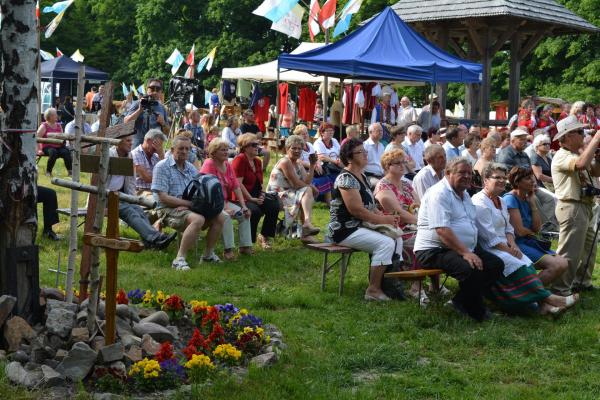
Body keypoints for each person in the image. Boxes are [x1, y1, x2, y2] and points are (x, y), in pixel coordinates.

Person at [472, 163, 576, 314]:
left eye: (503, 177)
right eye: (497, 178)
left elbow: (509, 229)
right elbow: (490, 238)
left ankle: (542, 305)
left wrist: (513, 245)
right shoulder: (479, 202)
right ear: (485, 180)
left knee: (526, 262)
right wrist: (509, 249)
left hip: (507, 244)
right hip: (490, 248)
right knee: (521, 264)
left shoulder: (500, 200)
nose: (501, 181)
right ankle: (551, 299)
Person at [414, 157, 504, 321]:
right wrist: (466, 253)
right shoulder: (438, 193)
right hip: (433, 250)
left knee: (495, 265)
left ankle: (459, 302)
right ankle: (478, 313)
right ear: (448, 173)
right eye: (462, 172)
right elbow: (441, 229)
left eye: (469, 173)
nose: (467, 176)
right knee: (470, 269)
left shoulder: (464, 195)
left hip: (459, 247)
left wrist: (470, 249)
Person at [329, 138, 403, 301]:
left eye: (365, 151)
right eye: (360, 152)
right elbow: (357, 211)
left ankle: (390, 285)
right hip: (344, 229)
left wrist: (386, 217)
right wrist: (383, 221)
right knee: (386, 243)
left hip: (360, 226)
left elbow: (369, 206)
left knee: (398, 238)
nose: (365, 154)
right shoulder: (346, 178)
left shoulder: (361, 175)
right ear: (349, 157)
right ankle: (373, 290)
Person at [152, 135, 225, 270]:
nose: (184, 151)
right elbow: (163, 198)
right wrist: (188, 204)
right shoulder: (161, 167)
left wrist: (195, 204)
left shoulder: (191, 168)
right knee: (198, 219)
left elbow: (199, 191)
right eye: (181, 148)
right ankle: (179, 259)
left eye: (187, 149)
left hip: (187, 206)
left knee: (220, 216)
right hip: (166, 209)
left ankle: (208, 255)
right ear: (172, 149)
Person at [550, 116, 600, 295]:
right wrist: (596, 139)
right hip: (571, 206)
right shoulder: (562, 155)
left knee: (589, 249)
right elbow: (581, 165)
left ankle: (581, 282)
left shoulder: (576, 154)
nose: (583, 134)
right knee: (570, 251)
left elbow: (595, 171)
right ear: (567, 136)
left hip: (583, 206)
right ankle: (560, 288)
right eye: (580, 132)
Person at [374, 149, 431, 304]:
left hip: (414, 226)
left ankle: (434, 283)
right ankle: (416, 285)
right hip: (395, 230)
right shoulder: (383, 187)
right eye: (397, 163)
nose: (402, 166)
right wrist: (424, 225)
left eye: (403, 162)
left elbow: (420, 206)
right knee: (423, 242)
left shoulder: (406, 184)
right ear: (387, 166)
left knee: (435, 239)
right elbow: (399, 214)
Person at [107, 136, 176, 250]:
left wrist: (131, 200)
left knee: (138, 210)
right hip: (106, 197)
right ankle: (156, 238)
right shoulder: (108, 155)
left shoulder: (129, 156)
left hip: (120, 195)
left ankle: (150, 241)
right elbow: (99, 182)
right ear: (118, 142)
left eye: (131, 140)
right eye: (128, 140)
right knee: (129, 211)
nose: (131, 143)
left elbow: (130, 182)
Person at [503, 167, 568, 286]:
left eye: (533, 177)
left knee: (563, 263)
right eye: (528, 178)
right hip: (517, 244)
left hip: (529, 241)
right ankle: (528, 293)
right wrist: (531, 232)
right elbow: (520, 231)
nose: (533, 181)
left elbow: (537, 228)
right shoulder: (510, 199)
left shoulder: (528, 198)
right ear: (517, 182)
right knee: (555, 265)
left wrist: (533, 204)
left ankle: (531, 291)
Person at [200, 138, 253, 261]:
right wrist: (224, 208)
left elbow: (236, 186)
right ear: (213, 152)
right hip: (210, 203)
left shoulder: (227, 165)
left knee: (245, 214)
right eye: (222, 150)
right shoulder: (209, 164)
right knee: (226, 216)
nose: (226, 152)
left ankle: (245, 246)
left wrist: (243, 206)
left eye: (227, 149)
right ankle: (228, 250)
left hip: (224, 202)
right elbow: (208, 191)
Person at [267, 135, 320, 243]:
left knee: (306, 191)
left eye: (300, 148)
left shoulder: (298, 163)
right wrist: (310, 187)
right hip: (276, 195)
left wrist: (312, 165)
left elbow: (306, 182)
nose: (297, 151)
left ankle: (306, 228)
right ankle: (306, 227)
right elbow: (296, 184)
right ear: (287, 149)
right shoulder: (285, 162)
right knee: (307, 191)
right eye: (294, 148)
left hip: (290, 192)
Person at [232, 133, 280, 249]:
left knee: (273, 205)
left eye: (258, 144)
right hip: (241, 197)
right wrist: (250, 198)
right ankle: (248, 243)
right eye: (254, 145)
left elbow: (261, 182)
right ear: (245, 147)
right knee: (255, 211)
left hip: (255, 194)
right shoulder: (240, 160)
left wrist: (262, 195)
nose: (257, 147)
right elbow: (238, 183)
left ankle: (264, 236)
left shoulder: (258, 161)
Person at [124, 78, 170, 147]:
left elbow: (167, 132)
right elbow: (126, 122)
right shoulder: (138, 103)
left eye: (158, 89)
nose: (155, 91)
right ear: (146, 89)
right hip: (137, 147)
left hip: (154, 149)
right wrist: (139, 111)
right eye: (152, 88)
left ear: (161, 92)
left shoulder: (162, 108)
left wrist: (163, 123)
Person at [295, 124, 331, 204]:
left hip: (312, 168)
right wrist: (311, 165)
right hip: (303, 170)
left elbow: (316, 156)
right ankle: (311, 200)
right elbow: (298, 161)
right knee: (316, 180)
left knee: (326, 178)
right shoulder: (297, 146)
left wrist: (317, 164)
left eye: (306, 133)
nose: (305, 135)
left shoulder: (310, 145)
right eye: (303, 134)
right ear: (297, 135)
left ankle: (329, 202)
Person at [131, 129, 166, 199]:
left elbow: (166, 173)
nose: (158, 149)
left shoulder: (156, 156)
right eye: (157, 145)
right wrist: (162, 178)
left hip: (154, 191)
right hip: (140, 191)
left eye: (160, 146)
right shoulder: (135, 154)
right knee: (160, 200)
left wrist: (161, 155)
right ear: (148, 140)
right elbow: (147, 178)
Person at [37, 107, 72, 177]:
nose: (57, 116)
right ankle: (48, 172)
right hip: (48, 147)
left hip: (59, 146)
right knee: (53, 153)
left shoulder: (59, 125)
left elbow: (62, 136)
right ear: (50, 117)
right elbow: (37, 138)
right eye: (55, 114)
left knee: (66, 152)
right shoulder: (44, 126)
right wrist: (39, 150)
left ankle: (70, 172)